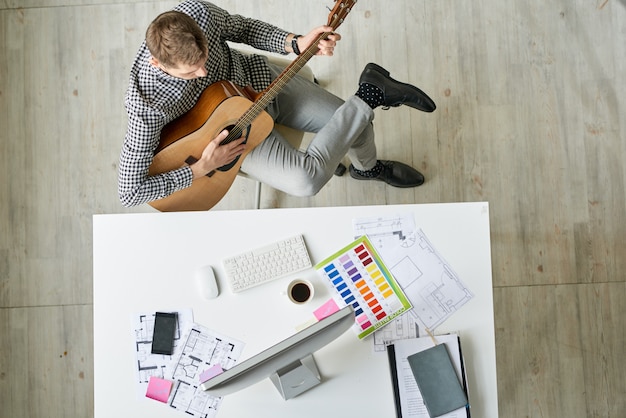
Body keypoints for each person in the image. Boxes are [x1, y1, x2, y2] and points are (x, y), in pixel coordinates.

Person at [118, 0, 435, 208]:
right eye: (191, 72)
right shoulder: (146, 105)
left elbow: (243, 28)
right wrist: (202, 167)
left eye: (203, 60)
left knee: (360, 125)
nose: (202, 72)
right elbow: (129, 191)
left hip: (259, 81)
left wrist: (295, 43)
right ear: (158, 64)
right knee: (307, 180)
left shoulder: (197, 14)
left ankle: (368, 169)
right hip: (236, 138)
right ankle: (369, 95)